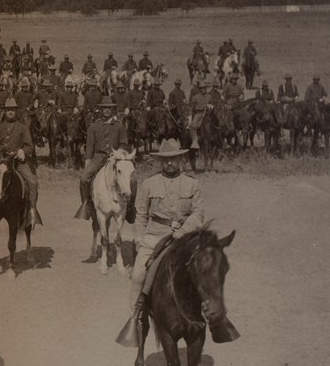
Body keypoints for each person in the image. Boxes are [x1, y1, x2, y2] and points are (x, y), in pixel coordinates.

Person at [115, 138, 236, 348]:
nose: (170, 164)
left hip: (184, 239)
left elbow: (198, 213)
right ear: (160, 161)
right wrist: (139, 240)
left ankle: (217, 319)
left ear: (180, 159)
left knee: (208, 271)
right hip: (154, 238)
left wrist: (183, 231)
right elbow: (141, 215)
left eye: (174, 159)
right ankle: (135, 319)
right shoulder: (148, 184)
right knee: (137, 276)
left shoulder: (192, 183)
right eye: (166, 160)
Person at [74, 100, 129, 219]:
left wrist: (118, 153)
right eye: (104, 108)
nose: (107, 110)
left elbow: (124, 144)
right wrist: (88, 160)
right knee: (84, 179)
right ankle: (86, 205)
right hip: (98, 157)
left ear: (113, 109)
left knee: (132, 180)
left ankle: (129, 208)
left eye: (109, 108)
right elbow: (89, 146)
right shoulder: (94, 126)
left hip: (116, 158)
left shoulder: (119, 125)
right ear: (101, 110)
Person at [0, 99, 41, 227]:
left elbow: (29, 146)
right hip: (1, 161)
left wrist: (21, 151)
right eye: (8, 110)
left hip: (17, 162)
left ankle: (32, 211)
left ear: (16, 111)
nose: (10, 112)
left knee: (32, 182)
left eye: (12, 110)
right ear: (5, 111)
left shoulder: (23, 127)